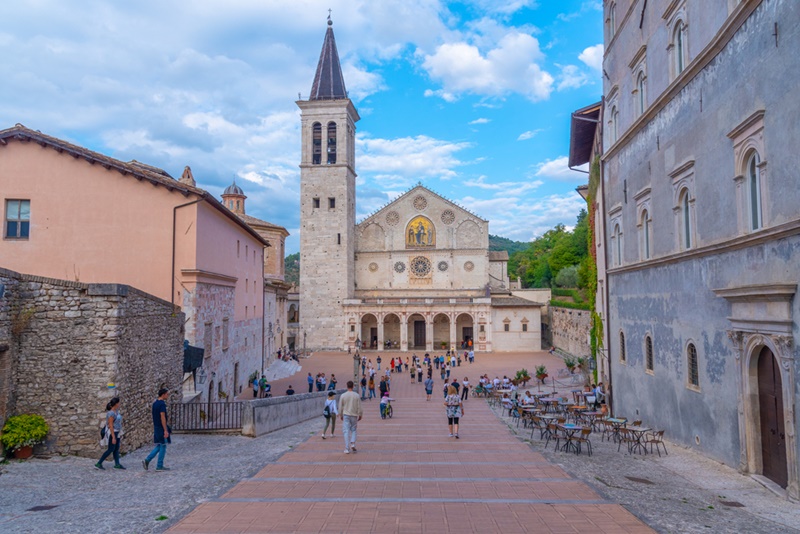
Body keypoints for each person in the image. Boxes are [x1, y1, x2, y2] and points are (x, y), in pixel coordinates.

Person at [143, 388, 170, 471]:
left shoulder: (155, 403)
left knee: (159, 445)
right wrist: (165, 429)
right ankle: (159, 465)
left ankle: (148, 459)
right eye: (167, 394)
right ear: (163, 394)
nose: (168, 395)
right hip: (161, 427)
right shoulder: (162, 404)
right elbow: (162, 417)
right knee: (163, 445)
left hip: (156, 426)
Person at [96, 397, 124, 470]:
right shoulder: (111, 413)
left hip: (117, 431)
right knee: (111, 449)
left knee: (116, 448)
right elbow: (111, 425)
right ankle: (99, 463)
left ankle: (117, 464)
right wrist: (113, 437)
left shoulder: (116, 411)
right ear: (116, 404)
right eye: (118, 403)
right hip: (113, 432)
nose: (119, 404)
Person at [339, 381, 363, 454]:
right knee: (354, 429)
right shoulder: (356, 395)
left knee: (346, 431)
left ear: (347, 386)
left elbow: (340, 406)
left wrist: (340, 414)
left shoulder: (343, 395)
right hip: (354, 414)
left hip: (346, 414)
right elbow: (359, 406)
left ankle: (347, 448)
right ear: (353, 386)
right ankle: (352, 443)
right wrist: (360, 414)